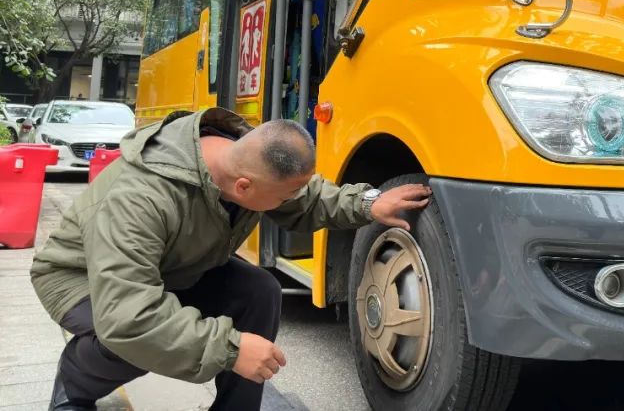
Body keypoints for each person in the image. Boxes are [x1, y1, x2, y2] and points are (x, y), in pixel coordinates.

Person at [30, 108, 431, 410]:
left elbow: (305, 195)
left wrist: (368, 202)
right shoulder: (139, 199)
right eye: (280, 198)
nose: (287, 205)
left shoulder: (242, 162)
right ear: (243, 186)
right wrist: (232, 349)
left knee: (259, 290)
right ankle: (76, 384)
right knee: (133, 343)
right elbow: (128, 317)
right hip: (79, 279)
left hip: (174, 264)